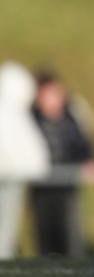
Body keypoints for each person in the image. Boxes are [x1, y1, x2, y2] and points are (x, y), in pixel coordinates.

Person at [29, 71, 94, 257]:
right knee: (45, 233)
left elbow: (84, 143)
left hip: (67, 185)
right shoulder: (31, 118)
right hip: (42, 187)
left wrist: (88, 161)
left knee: (70, 232)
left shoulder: (72, 116)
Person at [0, 62, 49, 258]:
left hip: (10, 179)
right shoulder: (13, 113)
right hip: (10, 180)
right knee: (5, 226)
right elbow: (35, 157)